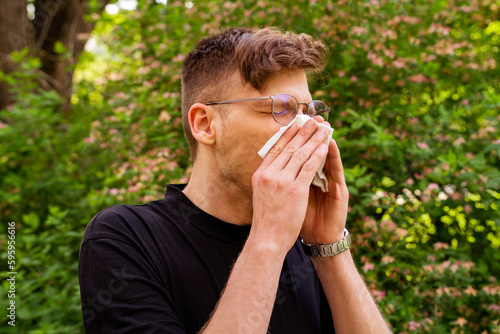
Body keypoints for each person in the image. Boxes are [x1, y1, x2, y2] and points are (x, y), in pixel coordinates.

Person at [78, 27, 391, 333]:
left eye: (309, 113)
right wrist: (268, 239)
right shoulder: (127, 236)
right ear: (205, 124)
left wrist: (329, 245)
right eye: (281, 109)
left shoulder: (304, 243)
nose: (307, 130)